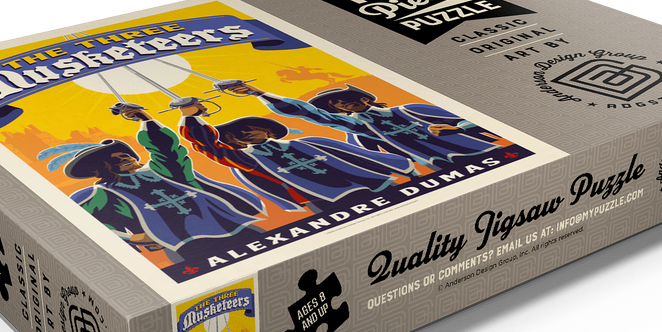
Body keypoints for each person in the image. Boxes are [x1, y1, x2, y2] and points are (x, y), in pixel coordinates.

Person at [38, 104, 266, 262]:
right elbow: (80, 224)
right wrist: (131, 238)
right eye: (114, 159)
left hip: (234, 226)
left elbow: (167, 150)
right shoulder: (100, 194)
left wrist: (145, 119)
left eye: (125, 154)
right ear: (99, 169)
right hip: (184, 244)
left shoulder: (162, 171)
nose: (125, 157)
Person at [177, 100, 418, 214]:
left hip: (376, 184)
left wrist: (406, 169)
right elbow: (208, 147)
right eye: (235, 136)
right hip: (326, 201)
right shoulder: (248, 161)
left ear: (268, 130)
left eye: (248, 129)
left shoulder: (308, 142)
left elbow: (356, 154)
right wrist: (191, 116)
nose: (244, 135)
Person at [218, 83, 511, 167]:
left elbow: (469, 118)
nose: (342, 106)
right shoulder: (361, 128)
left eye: (344, 101)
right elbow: (308, 113)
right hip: (440, 164)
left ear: (362, 98)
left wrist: (459, 128)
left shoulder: (410, 108)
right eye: (336, 106)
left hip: (483, 151)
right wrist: (260, 94)